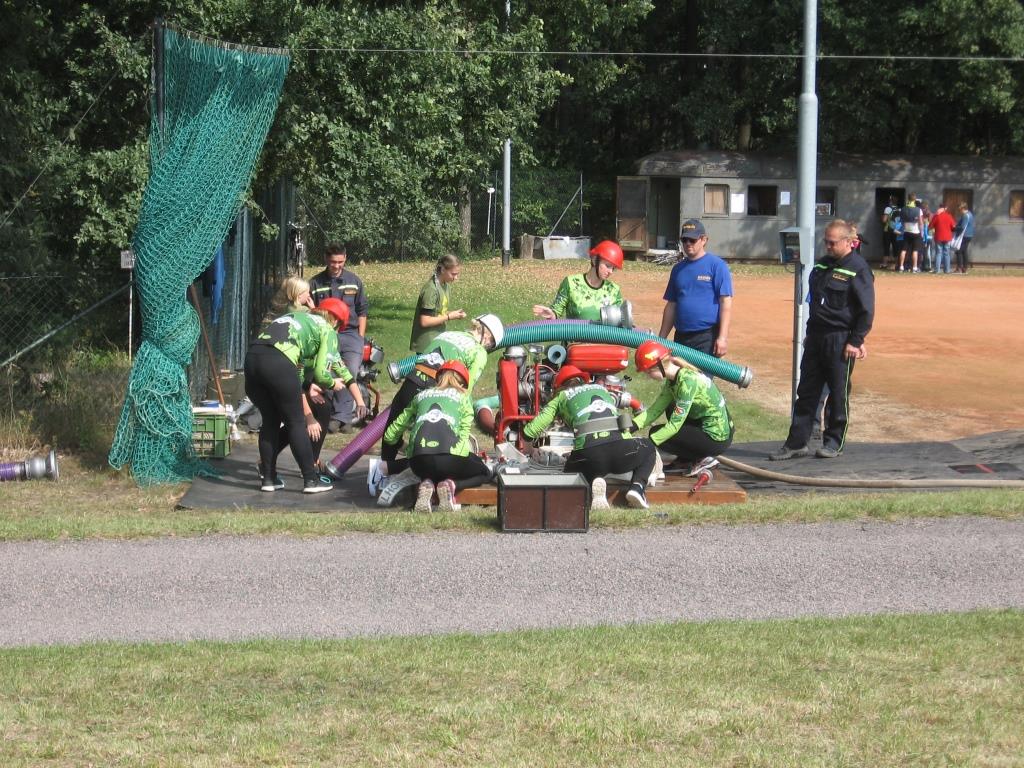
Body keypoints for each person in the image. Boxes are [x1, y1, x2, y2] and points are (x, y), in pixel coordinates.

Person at [770, 219, 874, 461]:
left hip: (841, 339)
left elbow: (866, 310)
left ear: (848, 242)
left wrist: (856, 340)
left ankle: (833, 442)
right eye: (826, 241)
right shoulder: (821, 265)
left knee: (838, 394)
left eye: (832, 242)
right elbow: (817, 304)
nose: (827, 246)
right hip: (816, 337)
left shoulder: (858, 269)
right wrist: (810, 332)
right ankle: (797, 443)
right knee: (806, 392)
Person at [243, 298, 354, 493]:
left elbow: (299, 369)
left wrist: (307, 385)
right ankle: (311, 480)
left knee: (270, 422)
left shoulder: (296, 317)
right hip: (279, 361)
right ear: (336, 321)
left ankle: (268, 479)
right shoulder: (327, 329)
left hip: (252, 359)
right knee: (296, 423)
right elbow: (321, 373)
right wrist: (332, 383)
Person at [382, 313, 504, 477]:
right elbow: (466, 388)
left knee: (393, 424)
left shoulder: (446, 334)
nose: (489, 346)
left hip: (412, 381)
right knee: (437, 442)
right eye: (491, 343)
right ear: (487, 335)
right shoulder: (479, 351)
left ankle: (381, 471)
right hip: (437, 388)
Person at [522, 365, 657, 510]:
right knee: (648, 447)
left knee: (571, 475)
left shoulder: (561, 397)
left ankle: (592, 487)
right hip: (620, 453)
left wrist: (529, 450)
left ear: (559, 387)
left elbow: (531, 431)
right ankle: (637, 488)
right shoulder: (602, 389)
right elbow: (622, 430)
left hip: (588, 458)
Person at [382, 360, 492, 514]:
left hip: (418, 463)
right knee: (484, 472)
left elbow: (389, 435)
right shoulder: (463, 397)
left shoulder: (420, 396)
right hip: (450, 459)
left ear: (438, 377)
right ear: (463, 383)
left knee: (431, 466)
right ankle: (451, 485)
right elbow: (463, 435)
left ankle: (427, 482)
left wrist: (406, 448)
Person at [631, 341, 734, 477]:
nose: (648, 377)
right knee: (669, 408)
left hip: (716, 438)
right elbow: (655, 410)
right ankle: (686, 459)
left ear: (657, 367)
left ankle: (703, 459)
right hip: (706, 426)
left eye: (647, 372)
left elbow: (675, 425)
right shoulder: (674, 378)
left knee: (657, 435)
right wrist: (632, 426)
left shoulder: (687, 383)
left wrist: (648, 444)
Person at [308, 243, 369, 433]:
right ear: (326, 259)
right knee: (326, 372)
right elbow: (311, 313)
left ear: (345, 259)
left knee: (349, 371)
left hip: (350, 333)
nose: (336, 266)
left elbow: (362, 311)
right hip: (327, 333)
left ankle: (343, 417)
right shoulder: (315, 283)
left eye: (340, 262)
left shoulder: (354, 281)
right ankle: (331, 415)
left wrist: (360, 337)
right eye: (333, 262)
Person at [658, 219, 733, 357]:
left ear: (704, 240)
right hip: (681, 338)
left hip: (706, 338)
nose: (688, 243)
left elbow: (725, 302)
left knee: (701, 373)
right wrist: (661, 339)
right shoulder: (678, 269)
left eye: (692, 240)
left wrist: (722, 338)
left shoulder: (717, 266)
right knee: (679, 372)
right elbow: (671, 305)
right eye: (684, 240)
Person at [532, 240, 625, 321]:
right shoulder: (571, 283)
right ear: (594, 260)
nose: (610, 271)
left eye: (613, 268)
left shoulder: (614, 290)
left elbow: (620, 321)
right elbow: (556, 311)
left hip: (602, 337)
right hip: (574, 336)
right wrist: (551, 314)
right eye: (607, 266)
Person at [410, 254, 467, 353]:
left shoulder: (445, 285)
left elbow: (437, 312)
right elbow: (425, 321)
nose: (456, 278)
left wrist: (453, 314)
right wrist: (448, 317)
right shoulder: (431, 290)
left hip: (437, 340)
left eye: (457, 274)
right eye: (453, 274)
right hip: (426, 344)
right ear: (443, 270)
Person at [897, 194, 923, 273]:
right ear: (915, 200)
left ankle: (901, 267)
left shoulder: (903, 209)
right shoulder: (918, 210)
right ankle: (914, 268)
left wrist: (904, 228)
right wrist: (921, 232)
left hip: (906, 231)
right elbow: (921, 223)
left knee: (904, 250)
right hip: (916, 232)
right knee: (915, 250)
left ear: (908, 199)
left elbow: (901, 221)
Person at [929, 204, 957, 274]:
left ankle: (937, 270)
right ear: (945, 208)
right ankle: (947, 270)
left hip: (938, 237)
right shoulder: (949, 216)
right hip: (947, 237)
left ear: (939, 208)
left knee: (938, 253)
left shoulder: (936, 216)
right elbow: (953, 226)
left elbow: (930, 226)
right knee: (946, 253)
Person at [954, 202, 975, 274]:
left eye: (960, 210)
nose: (959, 211)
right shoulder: (970, 214)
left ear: (963, 208)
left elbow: (962, 227)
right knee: (964, 251)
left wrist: (954, 228)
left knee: (959, 251)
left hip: (964, 235)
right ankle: (965, 268)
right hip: (969, 235)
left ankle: (959, 268)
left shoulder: (965, 216)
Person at [880, 195, 900, 269]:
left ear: (891, 201)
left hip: (888, 230)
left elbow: (884, 220)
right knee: (896, 247)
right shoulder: (899, 209)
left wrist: (882, 217)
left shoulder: (888, 208)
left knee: (886, 247)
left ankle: (885, 264)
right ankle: (897, 264)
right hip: (896, 230)